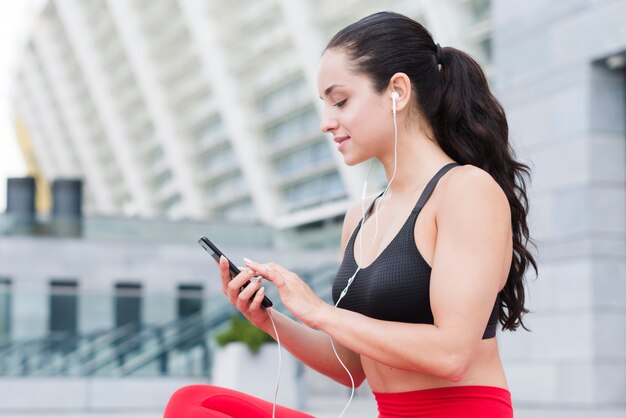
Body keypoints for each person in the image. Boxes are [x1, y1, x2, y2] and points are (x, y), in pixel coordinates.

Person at [164, 11, 537, 418]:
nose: (327, 123)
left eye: (340, 101)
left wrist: (320, 312)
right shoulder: (360, 217)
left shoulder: (466, 190)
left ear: (397, 91)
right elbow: (350, 367)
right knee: (195, 404)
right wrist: (268, 318)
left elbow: (452, 355)